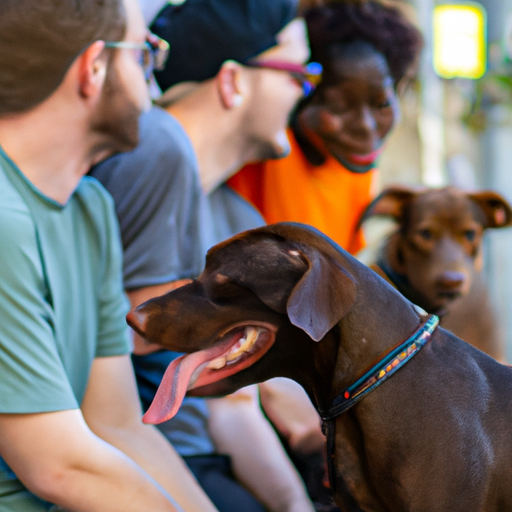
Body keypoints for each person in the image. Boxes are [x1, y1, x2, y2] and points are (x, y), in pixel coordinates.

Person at [90, 1, 317, 511]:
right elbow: (116, 349)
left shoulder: (238, 218)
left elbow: (236, 409)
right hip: (130, 457)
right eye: (299, 75)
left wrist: (294, 504)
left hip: (194, 457)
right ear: (233, 81)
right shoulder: (152, 150)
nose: (305, 95)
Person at [0, 0, 219, 510]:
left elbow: (116, 424)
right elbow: (59, 465)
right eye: (144, 55)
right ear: (94, 67)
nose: (158, 85)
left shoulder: (89, 209)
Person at [229, 0, 423, 255]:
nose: (366, 126)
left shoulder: (350, 165)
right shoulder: (261, 154)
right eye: (340, 106)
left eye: (382, 104)